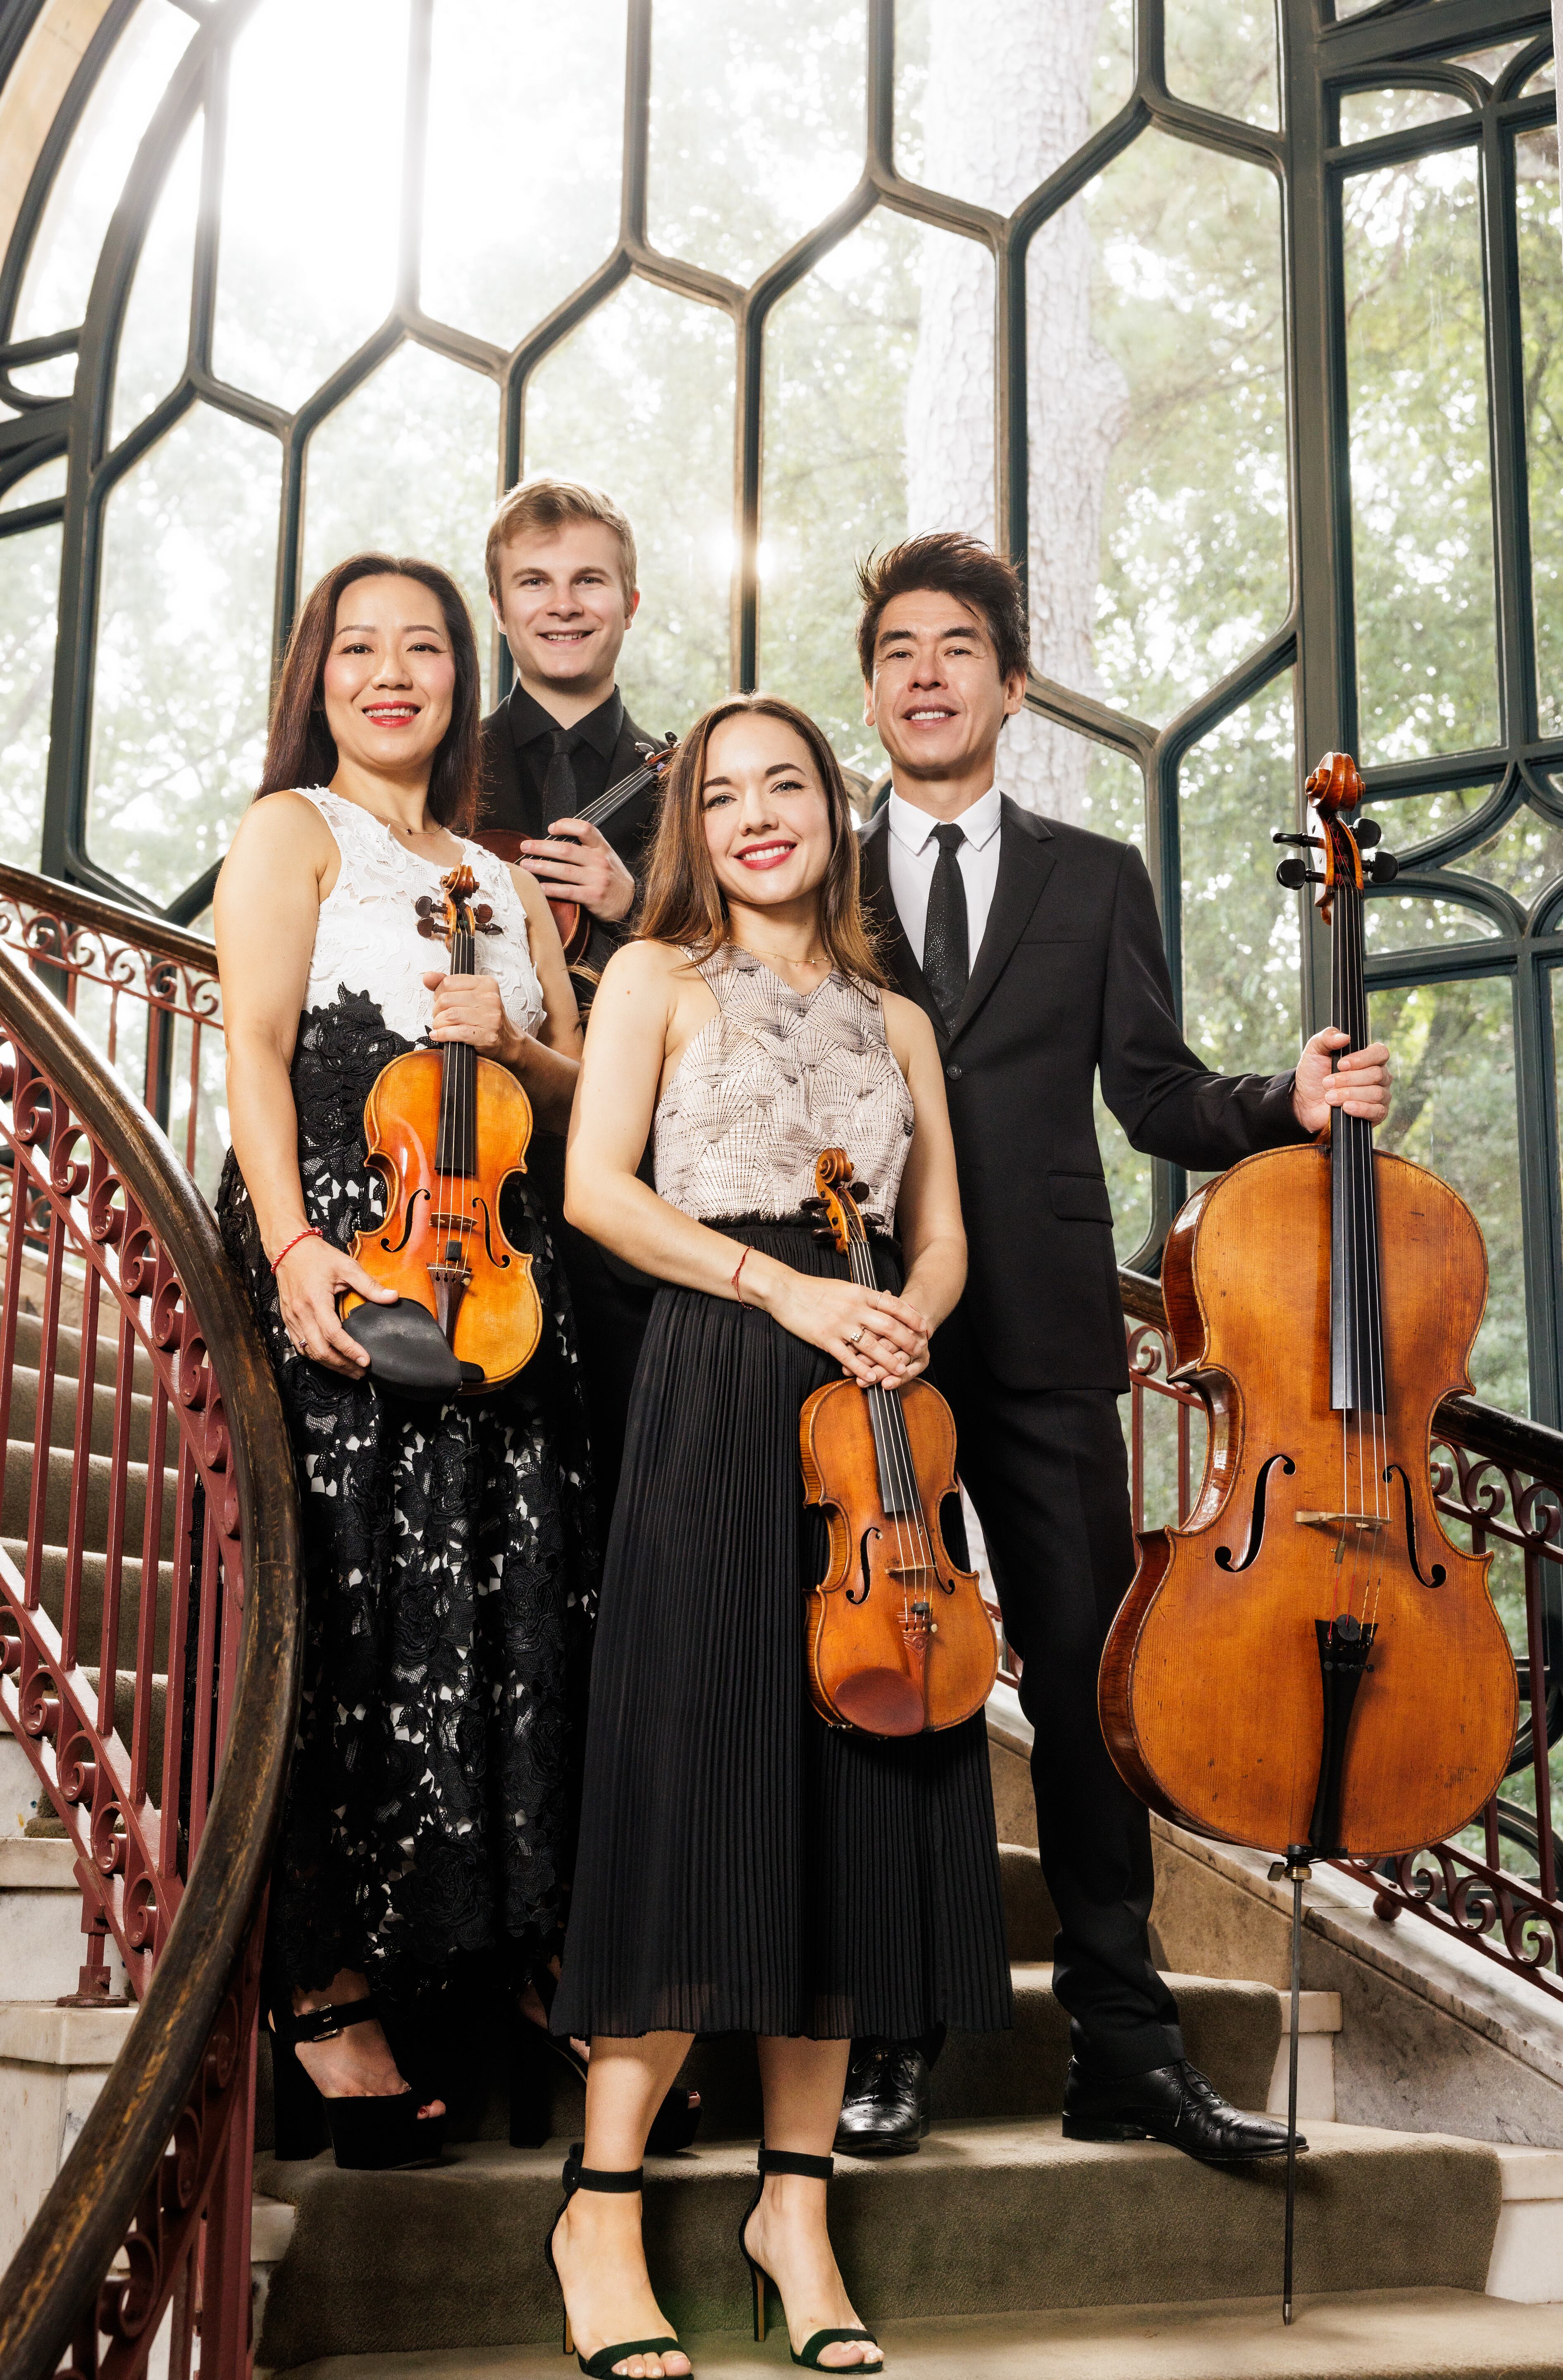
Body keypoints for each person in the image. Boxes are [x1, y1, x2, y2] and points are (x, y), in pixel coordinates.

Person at [838, 532, 1393, 2162]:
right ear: (868, 693)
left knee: (1087, 1679)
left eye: (957, 647)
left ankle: (1128, 2045)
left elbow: (1153, 1091)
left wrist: (1287, 1099)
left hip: (1049, 1334)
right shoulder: (814, 875)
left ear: (1012, 684)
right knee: (899, 1673)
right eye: (896, 650)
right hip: (865, 1328)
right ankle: (891, 2030)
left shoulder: (1093, 876)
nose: (926, 673)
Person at [545, 694, 1012, 2378]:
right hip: (718, 1373)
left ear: (834, 808)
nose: (757, 813)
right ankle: (601, 2207)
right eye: (725, 792)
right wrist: (786, 1288)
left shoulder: (901, 1017)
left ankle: (792, 2211)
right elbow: (598, 1189)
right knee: (694, 1784)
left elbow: (940, 1230)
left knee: (855, 1802)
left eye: (787, 784)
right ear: (696, 826)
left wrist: (904, 1314)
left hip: (867, 1412)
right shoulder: (652, 978)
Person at [213, 551, 600, 2169]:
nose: (392, 672)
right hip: (348, 1248)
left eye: (424, 646)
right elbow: (253, 1044)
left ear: (461, 676)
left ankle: (512, 1965)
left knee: (520, 1616)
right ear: (320, 675)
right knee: (359, 1610)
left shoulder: (503, 879)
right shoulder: (292, 830)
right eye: (360, 646)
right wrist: (294, 1245)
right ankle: (326, 1986)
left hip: (499, 1270)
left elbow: (578, 1089)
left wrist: (514, 1039)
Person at [477, 476, 665, 1523]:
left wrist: (632, 908)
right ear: (499, 605)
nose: (562, 604)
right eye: (534, 582)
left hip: (635, 1180)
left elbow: (748, 980)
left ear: (629, 600)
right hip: (459, 1165)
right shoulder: (436, 766)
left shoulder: (691, 787)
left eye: (589, 580)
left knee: (630, 1479)